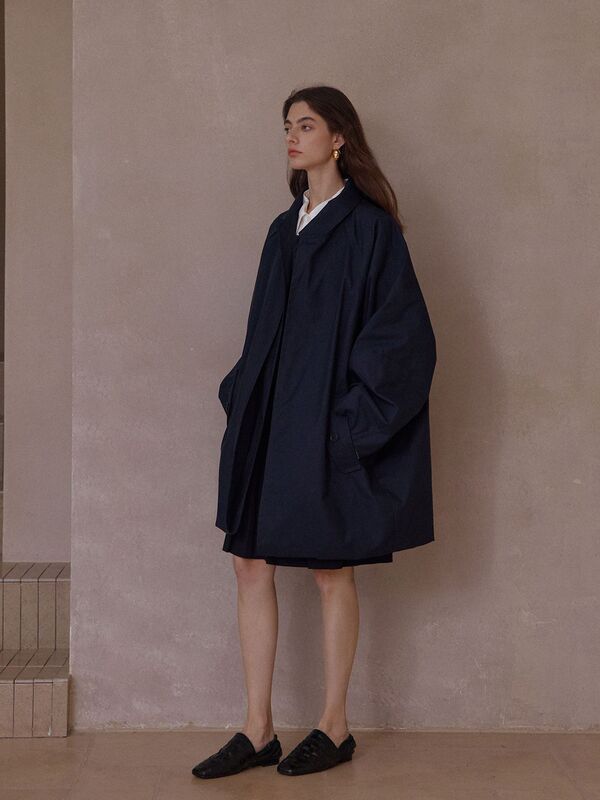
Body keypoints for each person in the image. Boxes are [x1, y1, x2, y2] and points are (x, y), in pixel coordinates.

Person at [193, 85, 437, 780]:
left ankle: (334, 725)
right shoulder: (283, 230)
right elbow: (261, 329)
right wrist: (240, 393)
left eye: (306, 125)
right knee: (249, 563)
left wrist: (352, 425)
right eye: (286, 126)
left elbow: (405, 341)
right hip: (270, 423)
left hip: (328, 425)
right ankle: (258, 729)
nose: (292, 137)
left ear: (339, 138)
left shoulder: (371, 230)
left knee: (332, 568)